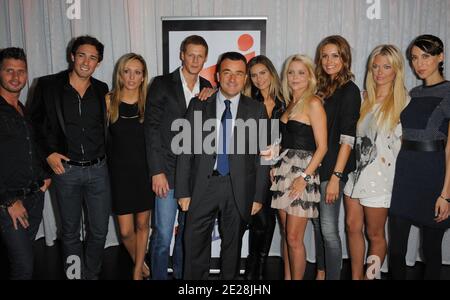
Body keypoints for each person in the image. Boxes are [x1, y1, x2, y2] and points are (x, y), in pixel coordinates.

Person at [175, 51, 271, 280]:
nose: (232, 79)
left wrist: (258, 196)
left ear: (245, 78)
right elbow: (185, 150)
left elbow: (266, 156)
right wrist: (182, 191)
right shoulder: (198, 105)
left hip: (238, 188)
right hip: (202, 186)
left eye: (239, 73)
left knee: (233, 248)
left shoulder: (257, 109)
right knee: (194, 245)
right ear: (218, 75)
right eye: (227, 72)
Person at [29, 35, 111, 280]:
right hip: (66, 171)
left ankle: (92, 274)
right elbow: (32, 126)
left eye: (93, 57)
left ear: (98, 62)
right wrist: (47, 155)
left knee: (99, 232)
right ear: (72, 56)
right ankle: (75, 276)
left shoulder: (101, 89)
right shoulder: (48, 86)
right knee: (71, 233)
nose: (87, 62)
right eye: (82, 55)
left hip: (98, 170)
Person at [144, 35, 213, 280]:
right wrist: (157, 171)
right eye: (190, 54)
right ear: (181, 55)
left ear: (205, 58)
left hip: (195, 176)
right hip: (168, 173)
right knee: (163, 235)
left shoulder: (208, 88)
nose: (195, 60)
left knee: (187, 234)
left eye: (200, 55)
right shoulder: (162, 84)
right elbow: (151, 129)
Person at [344, 45, 408, 280]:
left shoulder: (404, 103)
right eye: (375, 66)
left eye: (386, 67)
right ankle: (356, 277)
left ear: (397, 70)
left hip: (381, 178)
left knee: (375, 234)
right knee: (352, 227)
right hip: (354, 174)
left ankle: (370, 277)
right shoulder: (363, 99)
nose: (379, 72)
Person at [389, 34, 450, 280]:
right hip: (405, 174)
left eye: (426, 56)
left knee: (431, 251)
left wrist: (446, 194)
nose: (419, 63)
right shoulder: (413, 93)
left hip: (433, 175)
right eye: (415, 58)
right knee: (396, 249)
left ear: (440, 57)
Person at [271, 54, 328, 280]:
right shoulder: (290, 103)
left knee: (294, 238)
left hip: (302, 173)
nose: (295, 77)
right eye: (291, 72)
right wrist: (273, 164)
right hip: (284, 171)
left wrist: (304, 176)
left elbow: (322, 147)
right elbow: (285, 141)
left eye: (301, 72)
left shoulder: (313, 102)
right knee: (286, 234)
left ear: (310, 76)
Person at [312, 35, 361, 280]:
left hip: (333, 169)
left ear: (345, 58)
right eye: (325, 55)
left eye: (335, 55)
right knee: (318, 226)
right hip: (314, 167)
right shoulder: (320, 88)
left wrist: (336, 177)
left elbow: (348, 138)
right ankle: (321, 273)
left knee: (329, 229)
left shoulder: (349, 90)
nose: (329, 61)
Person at [0, 47, 51, 280]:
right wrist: (9, 201)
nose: (15, 77)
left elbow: (33, 147)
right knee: (24, 267)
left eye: (21, 71)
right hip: (10, 204)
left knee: (25, 258)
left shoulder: (22, 109)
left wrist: (44, 175)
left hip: (34, 198)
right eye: (9, 70)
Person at [106, 53, 154, 280]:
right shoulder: (109, 101)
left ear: (144, 76)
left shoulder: (149, 103)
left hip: (144, 174)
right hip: (119, 176)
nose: (132, 77)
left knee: (143, 225)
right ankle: (142, 263)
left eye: (137, 72)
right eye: (127, 71)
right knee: (125, 232)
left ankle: (137, 272)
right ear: (120, 74)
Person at [242, 55, 285, 280]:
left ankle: (257, 269)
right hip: (256, 170)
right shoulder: (248, 101)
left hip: (281, 170)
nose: (259, 79)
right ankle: (252, 270)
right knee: (259, 220)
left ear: (271, 73)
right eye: (254, 75)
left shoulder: (286, 100)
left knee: (270, 222)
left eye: (263, 73)